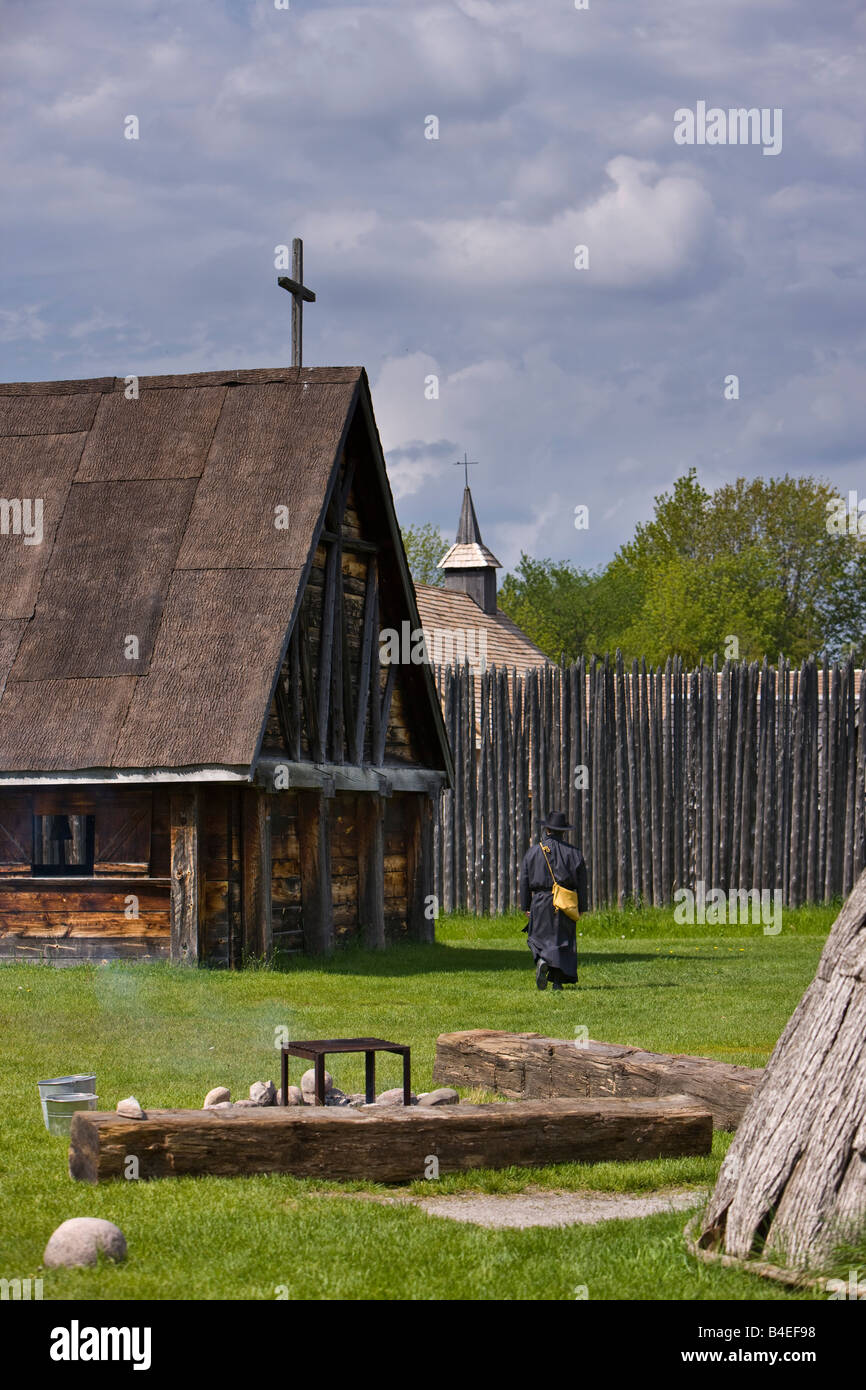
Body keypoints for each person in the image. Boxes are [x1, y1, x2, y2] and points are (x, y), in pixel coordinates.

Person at [518, 810, 588, 991]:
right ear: (563, 831)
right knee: (562, 942)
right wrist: (581, 906)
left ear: (547, 829)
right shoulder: (575, 853)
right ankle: (557, 983)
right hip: (565, 902)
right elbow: (582, 882)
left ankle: (541, 960)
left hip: (540, 901)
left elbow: (524, 881)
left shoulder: (532, 852)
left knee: (537, 938)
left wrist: (525, 905)